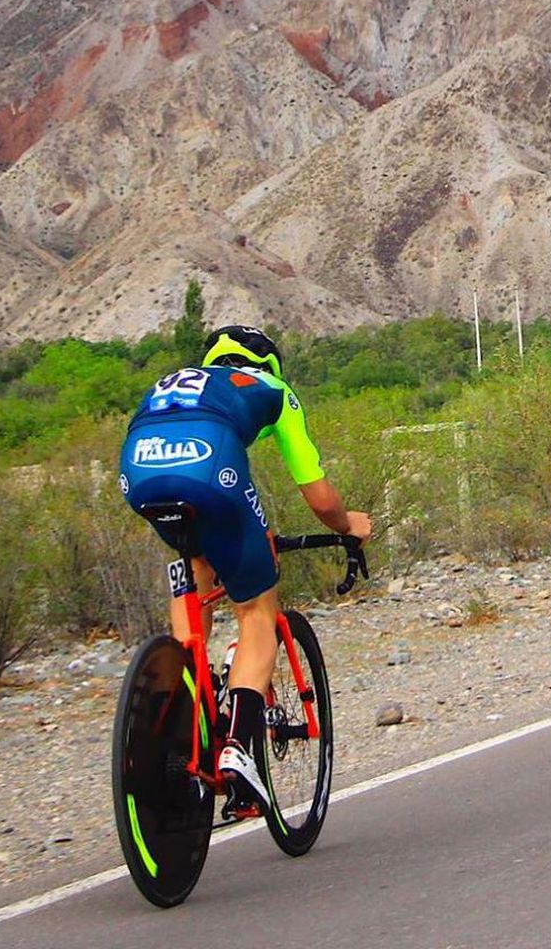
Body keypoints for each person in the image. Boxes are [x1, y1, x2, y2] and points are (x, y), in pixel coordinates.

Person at [119, 324, 371, 812]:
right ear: (270, 367)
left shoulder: (177, 380)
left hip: (139, 471)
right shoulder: (274, 390)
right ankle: (237, 749)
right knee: (256, 611)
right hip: (212, 467)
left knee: (196, 563)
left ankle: (182, 696)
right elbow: (318, 495)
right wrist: (348, 524)